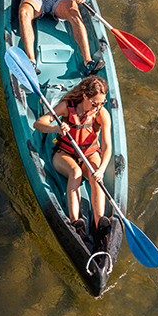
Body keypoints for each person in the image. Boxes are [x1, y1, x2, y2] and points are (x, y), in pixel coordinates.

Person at [33, 75, 112, 243]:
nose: (98, 107)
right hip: (64, 154)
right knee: (75, 172)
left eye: (102, 103)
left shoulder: (101, 114)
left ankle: (100, 225)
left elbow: (107, 147)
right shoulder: (67, 108)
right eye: (95, 103)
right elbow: (39, 124)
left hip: (90, 154)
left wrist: (102, 169)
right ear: (85, 96)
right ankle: (76, 223)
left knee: (95, 178)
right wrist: (56, 128)